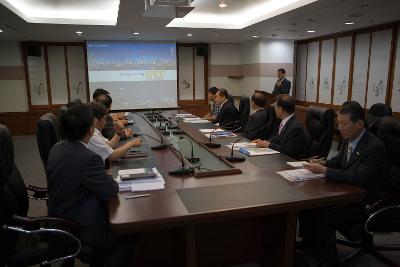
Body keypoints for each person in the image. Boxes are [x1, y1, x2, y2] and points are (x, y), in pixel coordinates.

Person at [300, 101, 387, 267]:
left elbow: (358, 178)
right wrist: (324, 163)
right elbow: (339, 160)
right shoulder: (350, 137)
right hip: (349, 191)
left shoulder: (373, 146)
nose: (339, 127)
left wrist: (324, 171)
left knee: (324, 213)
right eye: (338, 123)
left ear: (359, 123)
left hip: (366, 201)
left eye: (344, 123)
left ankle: (328, 261)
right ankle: (310, 243)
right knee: (309, 200)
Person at [47, 104, 134, 266]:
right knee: (129, 234)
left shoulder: (57, 148)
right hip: (80, 225)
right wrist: (105, 177)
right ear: (90, 130)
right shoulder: (88, 157)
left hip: (60, 217)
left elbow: (76, 175)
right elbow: (111, 190)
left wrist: (100, 175)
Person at [255, 95, 306, 159]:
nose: (275, 109)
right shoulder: (286, 122)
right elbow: (279, 138)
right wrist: (264, 142)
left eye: (276, 107)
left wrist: (268, 145)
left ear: (281, 109)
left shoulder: (295, 128)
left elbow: (289, 151)